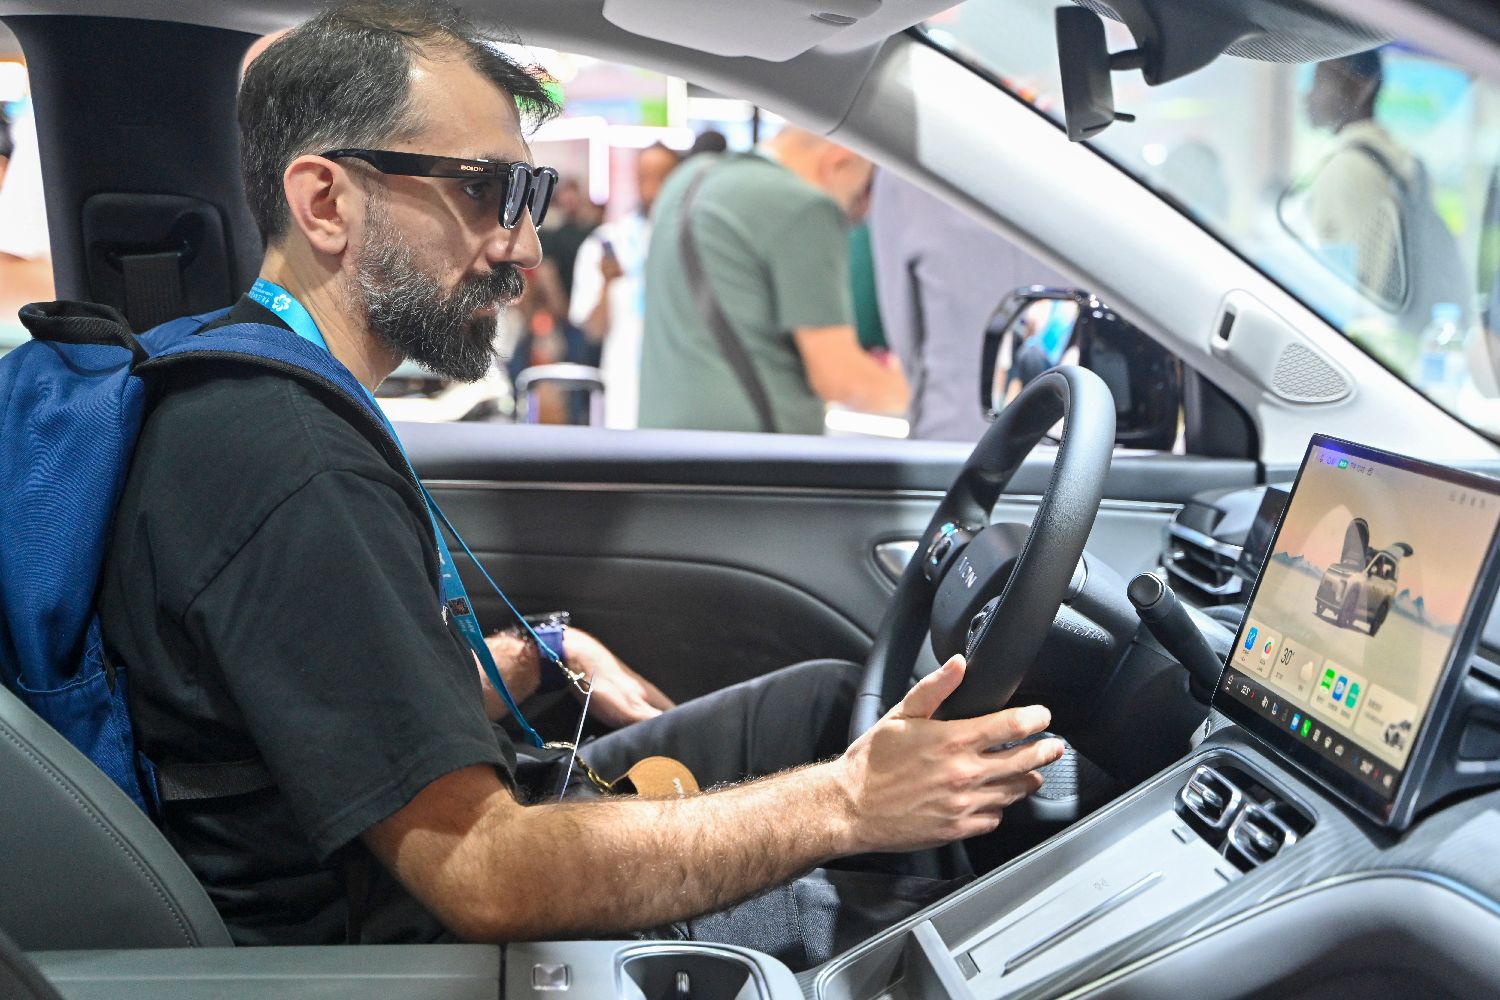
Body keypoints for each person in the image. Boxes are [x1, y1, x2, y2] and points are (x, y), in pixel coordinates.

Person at [96, 1, 1060, 966]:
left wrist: (539, 653)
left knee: (821, 703)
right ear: (324, 202)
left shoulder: (270, 391)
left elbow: (340, 701)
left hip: (467, 841)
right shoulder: (288, 459)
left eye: (529, 193)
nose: (523, 247)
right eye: (483, 191)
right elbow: (485, 873)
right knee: (903, 918)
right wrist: (849, 802)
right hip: (409, 951)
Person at [637, 126, 909, 434]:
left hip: (663, 443)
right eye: (857, 196)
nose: (853, 209)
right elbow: (840, 377)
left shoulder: (686, 180)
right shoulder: (803, 205)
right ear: (838, 161)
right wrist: (918, 393)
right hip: (752, 451)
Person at [868, 168, 1066, 441]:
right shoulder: (1084, 167)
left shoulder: (906, 176)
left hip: (951, 427)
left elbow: (905, 333)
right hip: (1071, 432)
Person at [1302, 50, 1470, 327]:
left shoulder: (1347, 168)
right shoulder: (1399, 158)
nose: (1308, 96)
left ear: (1362, 87)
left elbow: (1341, 286)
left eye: (1321, 80)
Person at [568, 142, 679, 428]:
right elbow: (592, 331)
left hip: (680, 393)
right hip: (622, 395)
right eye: (645, 178)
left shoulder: (693, 244)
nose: (653, 190)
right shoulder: (608, 242)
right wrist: (607, 285)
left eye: (663, 178)